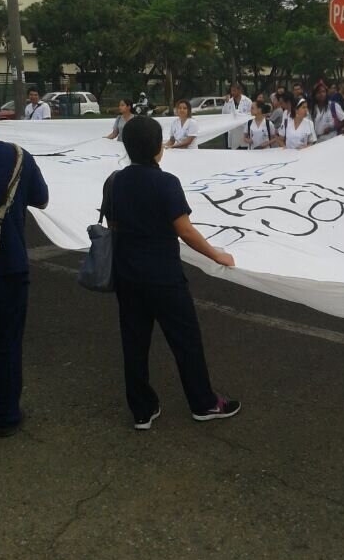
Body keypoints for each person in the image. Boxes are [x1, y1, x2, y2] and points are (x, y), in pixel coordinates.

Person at [102, 116, 240, 429]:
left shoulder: (115, 180)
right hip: (164, 278)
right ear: (157, 148)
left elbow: (113, 225)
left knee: (134, 344)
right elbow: (185, 231)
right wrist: (217, 255)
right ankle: (203, 403)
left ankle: (142, 410)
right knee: (186, 341)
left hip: (127, 276)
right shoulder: (166, 182)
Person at [0, 93, 49, 437]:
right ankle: (6, 414)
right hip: (8, 265)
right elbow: (41, 198)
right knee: (7, 344)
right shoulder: (17, 157)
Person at [222, 82, 252, 150]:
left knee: (244, 151)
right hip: (232, 131)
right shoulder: (229, 101)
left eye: (234, 91)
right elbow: (224, 114)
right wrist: (226, 103)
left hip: (243, 131)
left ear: (239, 90)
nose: (232, 93)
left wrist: (240, 115)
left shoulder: (247, 101)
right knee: (233, 152)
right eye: (231, 91)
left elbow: (251, 115)